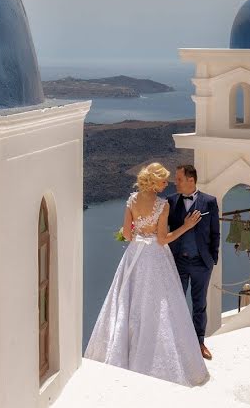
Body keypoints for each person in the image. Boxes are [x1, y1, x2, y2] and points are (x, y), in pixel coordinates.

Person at [84, 162, 208, 387]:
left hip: (133, 256)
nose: (166, 184)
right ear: (154, 181)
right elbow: (162, 239)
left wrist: (138, 233)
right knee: (158, 307)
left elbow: (128, 235)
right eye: (163, 180)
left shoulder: (131, 200)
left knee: (126, 301)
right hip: (154, 257)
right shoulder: (162, 205)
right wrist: (186, 226)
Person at [167, 164, 221, 360]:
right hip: (178, 263)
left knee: (199, 304)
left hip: (201, 264)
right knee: (177, 302)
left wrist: (212, 258)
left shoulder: (209, 202)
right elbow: (165, 232)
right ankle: (177, 342)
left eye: (179, 179)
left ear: (191, 180)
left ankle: (199, 343)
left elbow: (215, 233)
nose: (175, 182)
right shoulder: (171, 202)